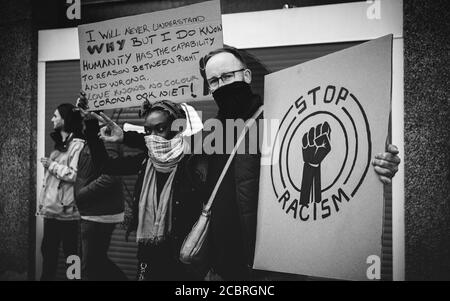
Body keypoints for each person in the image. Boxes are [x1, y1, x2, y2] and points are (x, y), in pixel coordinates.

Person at [198, 46, 401, 280]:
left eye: (227, 76)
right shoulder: (208, 135)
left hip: (270, 270)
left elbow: (329, 163)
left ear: (246, 76)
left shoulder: (284, 120)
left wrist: (377, 164)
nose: (222, 86)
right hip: (222, 270)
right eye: (213, 81)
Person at [77, 97, 205, 281]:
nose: (153, 136)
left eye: (160, 129)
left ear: (179, 127)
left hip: (184, 262)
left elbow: (200, 141)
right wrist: (90, 123)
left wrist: (126, 137)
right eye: (148, 131)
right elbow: (104, 166)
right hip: (148, 257)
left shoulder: (194, 163)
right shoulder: (146, 161)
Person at [74, 111, 127, 281]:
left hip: (99, 213)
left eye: (84, 115)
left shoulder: (104, 136)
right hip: (93, 211)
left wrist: (82, 195)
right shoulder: (91, 138)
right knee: (96, 261)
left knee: (90, 266)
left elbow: (111, 175)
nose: (80, 119)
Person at [37, 103, 85, 281]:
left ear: (65, 120)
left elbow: (74, 174)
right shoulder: (60, 144)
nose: (52, 119)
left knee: (72, 256)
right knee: (48, 253)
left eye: (55, 116)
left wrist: (52, 165)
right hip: (52, 212)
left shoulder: (77, 145)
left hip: (68, 214)